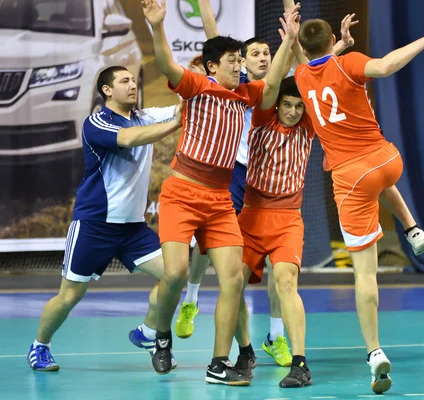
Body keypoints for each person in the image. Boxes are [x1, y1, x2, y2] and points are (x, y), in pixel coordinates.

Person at [174, 0, 359, 369]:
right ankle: (191, 299)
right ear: (240, 59)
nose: (262, 56)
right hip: (237, 173)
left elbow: (306, 71)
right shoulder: (238, 83)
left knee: (281, 274)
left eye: (266, 51)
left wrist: (324, 41)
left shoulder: (279, 91)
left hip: (275, 192)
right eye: (254, 52)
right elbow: (213, 35)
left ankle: (275, 335)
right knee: (209, 250)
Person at [292, 7, 424, 394]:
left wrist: (318, 41)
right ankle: (412, 228)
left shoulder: (299, 76)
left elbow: (311, 63)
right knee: (379, 182)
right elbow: (384, 65)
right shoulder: (350, 63)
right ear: (333, 40)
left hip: (351, 178)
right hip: (386, 160)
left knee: (365, 274)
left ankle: (375, 352)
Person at [142, 0, 296, 384]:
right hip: (181, 194)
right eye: (232, 59)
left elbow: (273, 83)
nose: (239, 64)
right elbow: (165, 65)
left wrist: (290, 41)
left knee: (232, 280)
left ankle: (218, 363)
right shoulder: (198, 86)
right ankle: (162, 338)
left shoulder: (244, 95)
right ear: (213, 66)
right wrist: (158, 28)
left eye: (240, 60)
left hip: (219, 201)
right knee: (175, 272)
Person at [27, 66, 182, 371]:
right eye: (124, 81)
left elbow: (183, 108)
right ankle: (40, 345)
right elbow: (130, 138)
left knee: (175, 274)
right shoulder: (97, 122)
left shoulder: (144, 116)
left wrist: (202, 85)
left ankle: (148, 331)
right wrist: (175, 123)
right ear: (107, 90)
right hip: (94, 224)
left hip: (134, 229)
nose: (133, 84)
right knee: (70, 295)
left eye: (134, 79)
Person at [228, 8, 314, 388]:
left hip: (287, 218)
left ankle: (300, 363)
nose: (293, 112)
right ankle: (245, 353)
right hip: (252, 214)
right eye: (288, 105)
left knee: (286, 282)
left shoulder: (308, 126)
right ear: (276, 105)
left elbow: (310, 80)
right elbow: (275, 79)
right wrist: (285, 44)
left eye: (298, 106)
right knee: (234, 283)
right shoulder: (262, 116)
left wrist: (296, 43)